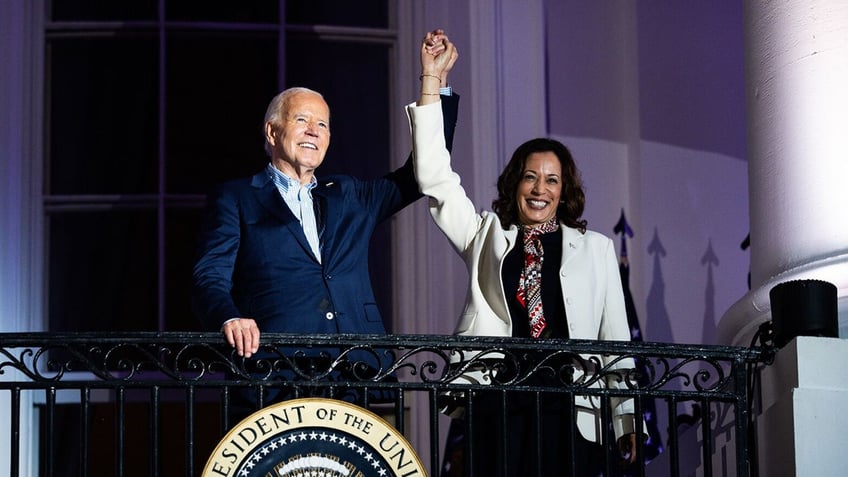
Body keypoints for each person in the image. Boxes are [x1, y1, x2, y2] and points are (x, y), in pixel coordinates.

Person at [191, 32, 459, 412]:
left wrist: (434, 83)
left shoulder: (348, 194)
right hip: (277, 377)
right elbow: (209, 277)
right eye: (302, 120)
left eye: (324, 124)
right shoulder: (236, 198)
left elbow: (424, 172)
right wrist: (229, 317)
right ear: (272, 131)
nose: (314, 130)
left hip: (362, 374)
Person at [410, 34, 640, 476]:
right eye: (530, 177)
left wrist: (625, 418)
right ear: (515, 183)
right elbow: (434, 178)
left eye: (551, 181)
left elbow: (616, 343)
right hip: (499, 405)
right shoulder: (486, 235)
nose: (539, 189)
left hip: (573, 413)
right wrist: (431, 83)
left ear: (564, 191)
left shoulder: (596, 250)